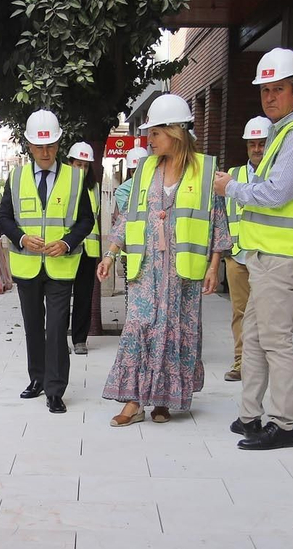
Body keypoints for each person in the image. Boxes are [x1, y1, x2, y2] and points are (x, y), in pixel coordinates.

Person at [213, 47, 293, 451]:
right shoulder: (281, 135)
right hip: (266, 254)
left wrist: (231, 188)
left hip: (284, 254)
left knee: (275, 340)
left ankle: (283, 425)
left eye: (279, 89)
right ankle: (250, 415)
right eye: (265, 90)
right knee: (256, 335)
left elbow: (277, 193)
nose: (270, 97)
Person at [96, 94, 228, 426]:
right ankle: (133, 402)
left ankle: (164, 401)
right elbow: (129, 217)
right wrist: (111, 254)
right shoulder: (145, 170)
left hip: (184, 273)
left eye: (155, 133)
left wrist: (214, 267)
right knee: (138, 327)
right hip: (146, 269)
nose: (149, 140)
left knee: (175, 331)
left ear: (175, 131)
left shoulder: (205, 171)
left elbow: (217, 221)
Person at [0, 109, 94, 414]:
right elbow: (4, 219)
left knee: (57, 327)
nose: (45, 152)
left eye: (50, 145)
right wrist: (22, 238)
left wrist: (66, 243)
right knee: (33, 326)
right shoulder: (16, 177)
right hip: (27, 266)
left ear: (59, 144)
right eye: (39, 147)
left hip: (61, 267)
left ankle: (55, 390)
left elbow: (86, 220)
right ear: (29, 146)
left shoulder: (75, 178)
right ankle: (37, 378)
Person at [222, 116, 272, 381]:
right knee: (239, 312)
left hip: (267, 255)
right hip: (238, 255)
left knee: (268, 313)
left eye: (261, 143)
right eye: (252, 144)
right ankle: (242, 361)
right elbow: (221, 214)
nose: (256, 149)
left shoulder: (278, 175)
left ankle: (264, 363)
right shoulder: (233, 175)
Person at [65, 141, 101, 356]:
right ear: (70, 163)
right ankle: (60, 339)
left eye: (86, 166)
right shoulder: (62, 186)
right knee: (61, 296)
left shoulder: (93, 188)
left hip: (88, 250)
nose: (82, 169)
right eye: (78, 164)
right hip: (66, 248)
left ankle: (80, 340)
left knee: (83, 296)